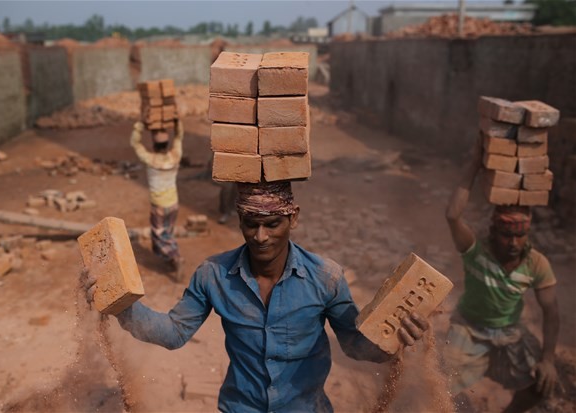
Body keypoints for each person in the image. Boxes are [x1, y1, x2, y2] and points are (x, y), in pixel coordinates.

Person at [84, 181, 429, 413]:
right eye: (250, 223)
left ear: (293, 218)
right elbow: (174, 333)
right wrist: (120, 304)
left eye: (272, 223)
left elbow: (354, 344)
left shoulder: (326, 278)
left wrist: (395, 339)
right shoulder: (213, 275)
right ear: (239, 220)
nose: (260, 236)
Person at [444, 138, 560, 413]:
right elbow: (452, 215)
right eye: (507, 235)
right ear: (493, 232)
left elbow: (551, 312)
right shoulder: (476, 250)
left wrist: (549, 359)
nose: (513, 243)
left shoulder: (535, 263)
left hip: (509, 333)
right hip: (468, 329)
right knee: (442, 384)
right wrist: (475, 163)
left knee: (542, 383)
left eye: (520, 236)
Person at [130, 120, 184, 279]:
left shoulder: (150, 159)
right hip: (173, 202)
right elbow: (179, 137)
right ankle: (170, 260)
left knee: (159, 235)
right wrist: (177, 123)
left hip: (159, 205)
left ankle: (175, 257)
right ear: (167, 144)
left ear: (154, 146)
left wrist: (139, 125)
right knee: (168, 232)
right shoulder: (175, 155)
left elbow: (135, 143)